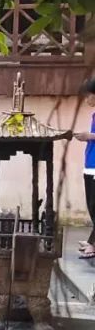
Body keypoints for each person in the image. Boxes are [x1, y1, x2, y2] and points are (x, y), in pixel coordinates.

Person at [74, 78, 95, 258]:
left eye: (88, 96)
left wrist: (89, 136)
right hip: (90, 164)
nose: (86, 99)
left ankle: (94, 246)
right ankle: (92, 241)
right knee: (91, 205)